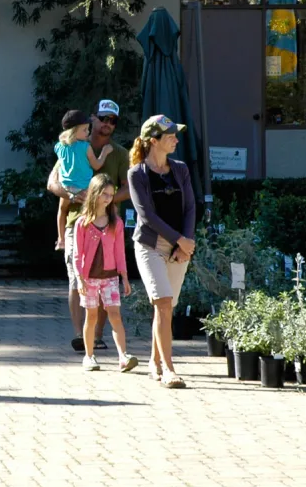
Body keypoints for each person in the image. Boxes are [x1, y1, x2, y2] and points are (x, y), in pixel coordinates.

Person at [47, 99, 129, 352]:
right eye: (103, 118)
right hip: (75, 221)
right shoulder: (72, 146)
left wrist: (103, 199)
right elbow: (52, 183)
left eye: (112, 121)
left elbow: (128, 188)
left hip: (107, 224)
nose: (107, 124)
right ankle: (78, 335)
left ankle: (97, 335)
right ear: (92, 118)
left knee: (105, 277)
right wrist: (72, 196)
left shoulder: (120, 154)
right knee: (76, 277)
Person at [127, 114, 197, 389]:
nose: (176, 140)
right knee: (164, 302)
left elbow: (191, 207)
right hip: (150, 245)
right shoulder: (137, 174)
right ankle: (169, 369)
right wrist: (180, 239)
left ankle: (154, 361)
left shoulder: (180, 169)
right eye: (171, 136)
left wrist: (186, 242)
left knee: (166, 307)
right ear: (153, 141)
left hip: (181, 245)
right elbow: (147, 216)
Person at [72, 173, 136, 372]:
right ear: (95, 194)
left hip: (110, 277)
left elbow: (120, 252)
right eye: (105, 194)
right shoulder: (82, 223)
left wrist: (124, 276)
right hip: (89, 277)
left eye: (111, 194)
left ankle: (123, 356)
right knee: (91, 316)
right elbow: (77, 254)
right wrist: (80, 279)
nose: (108, 198)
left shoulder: (115, 223)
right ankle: (89, 356)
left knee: (115, 314)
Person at [53, 109, 115, 251]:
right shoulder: (85, 147)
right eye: (85, 130)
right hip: (85, 187)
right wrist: (105, 152)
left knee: (62, 210)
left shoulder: (59, 147)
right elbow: (97, 165)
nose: (88, 132)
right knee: (90, 212)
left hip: (67, 188)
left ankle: (61, 240)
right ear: (74, 131)